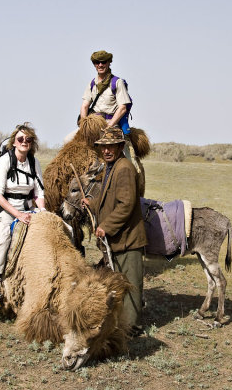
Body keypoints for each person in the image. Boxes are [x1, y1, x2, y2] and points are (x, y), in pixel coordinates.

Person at [81, 127, 147, 335]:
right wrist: (91, 204)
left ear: (120, 147)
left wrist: (106, 226)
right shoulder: (111, 167)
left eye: (111, 146)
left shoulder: (124, 168)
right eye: (104, 147)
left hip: (128, 239)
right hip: (119, 238)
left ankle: (132, 327)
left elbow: (126, 204)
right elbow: (108, 199)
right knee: (120, 280)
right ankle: (123, 322)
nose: (107, 150)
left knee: (130, 283)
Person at [0, 122, 45, 310]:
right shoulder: (5, 161)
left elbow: (39, 192)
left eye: (28, 139)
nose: (24, 142)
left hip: (28, 209)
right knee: (3, 238)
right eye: (20, 139)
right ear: (14, 141)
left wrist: (42, 212)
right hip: (6, 210)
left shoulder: (34, 162)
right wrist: (18, 214)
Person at [80, 50, 131, 130]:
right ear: (94, 64)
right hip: (94, 123)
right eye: (97, 62)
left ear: (109, 63)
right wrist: (84, 125)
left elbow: (122, 108)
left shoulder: (117, 82)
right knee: (68, 140)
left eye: (103, 62)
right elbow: (84, 106)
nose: (100, 65)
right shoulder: (92, 83)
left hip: (112, 123)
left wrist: (108, 127)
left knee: (121, 142)